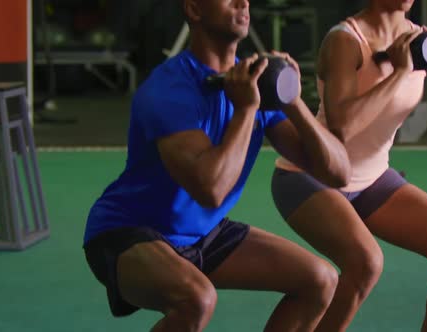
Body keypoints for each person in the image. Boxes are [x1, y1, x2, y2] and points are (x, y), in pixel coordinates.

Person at [82, 0, 352, 331]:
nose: (243, 2)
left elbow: (338, 173)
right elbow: (210, 189)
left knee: (320, 280)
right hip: (126, 232)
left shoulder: (255, 83)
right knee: (196, 299)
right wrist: (245, 111)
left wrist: (292, 100)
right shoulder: (169, 89)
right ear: (194, 9)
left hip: (202, 234)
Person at [271, 0, 427, 331]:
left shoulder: (423, 39)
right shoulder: (346, 40)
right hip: (310, 176)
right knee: (365, 263)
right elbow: (342, 126)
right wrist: (402, 72)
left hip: (372, 180)